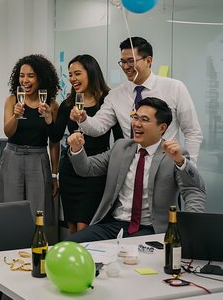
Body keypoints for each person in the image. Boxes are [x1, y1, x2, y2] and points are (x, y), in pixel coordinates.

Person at [66, 97, 205, 243]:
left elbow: (194, 190)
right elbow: (87, 168)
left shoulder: (173, 154)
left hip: (151, 229)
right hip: (112, 225)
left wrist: (189, 230)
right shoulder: (121, 147)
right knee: (67, 248)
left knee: (128, 259)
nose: (137, 124)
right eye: (135, 118)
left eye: (144, 119)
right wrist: (77, 149)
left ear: (162, 128)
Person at [71, 37, 203, 163]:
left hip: (165, 165)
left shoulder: (174, 88)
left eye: (131, 61)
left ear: (148, 61)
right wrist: (83, 119)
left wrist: (187, 166)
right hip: (131, 166)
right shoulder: (115, 94)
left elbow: (192, 132)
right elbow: (98, 127)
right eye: (122, 61)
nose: (126, 66)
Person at [50, 55, 123, 235]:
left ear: (90, 73)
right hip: (70, 170)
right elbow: (54, 136)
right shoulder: (68, 104)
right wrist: (47, 118)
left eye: (77, 73)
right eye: (70, 75)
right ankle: (73, 263)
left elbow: (120, 139)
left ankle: (91, 262)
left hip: (96, 170)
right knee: (72, 227)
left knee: (86, 226)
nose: (73, 79)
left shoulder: (108, 100)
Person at [0, 54, 61, 226]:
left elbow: (54, 142)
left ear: (41, 78)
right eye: (22, 75)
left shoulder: (52, 104)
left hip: (38, 158)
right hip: (13, 156)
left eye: (31, 76)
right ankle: (10, 251)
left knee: (38, 213)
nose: (25, 80)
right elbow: (8, 132)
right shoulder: (12, 100)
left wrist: (55, 174)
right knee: (10, 211)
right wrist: (16, 115)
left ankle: (36, 251)